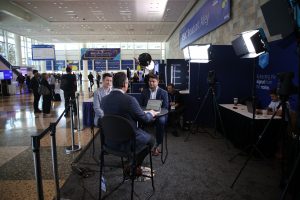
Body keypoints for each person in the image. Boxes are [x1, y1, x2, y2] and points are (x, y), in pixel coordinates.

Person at [100, 72, 157, 174]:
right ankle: (134, 165)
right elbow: (144, 119)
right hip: (128, 141)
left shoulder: (104, 100)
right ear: (124, 84)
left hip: (110, 141)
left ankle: (131, 162)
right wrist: (151, 114)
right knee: (151, 140)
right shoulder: (130, 100)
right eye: (127, 82)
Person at [141, 73, 168, 156]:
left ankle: (157, 144)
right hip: (148, 113)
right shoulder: (144, 92)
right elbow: (142, 106)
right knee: (139, 119)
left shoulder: (163, 92)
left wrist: (156, 114)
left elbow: (166, 107)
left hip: (160, 114)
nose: (151, 83)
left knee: (161, 121)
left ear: (157, 82)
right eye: (150, 81)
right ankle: (145, 143)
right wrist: (149, 114)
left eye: (153, 81)